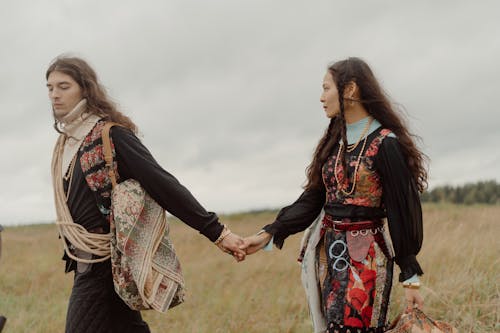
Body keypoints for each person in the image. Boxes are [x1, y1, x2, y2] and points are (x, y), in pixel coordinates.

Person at [46, 55, 246, 333]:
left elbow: (163, 184)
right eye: (50, 87)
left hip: (105, 262)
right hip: (84, 262)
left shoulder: (111, 136)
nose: (54, 95)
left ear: (85, 88)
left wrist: (217, 232)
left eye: (63, 86)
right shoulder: (66, 143)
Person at [242, 57, 426, 333]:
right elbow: (314, 199)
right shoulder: (334, 140)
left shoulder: (386, 144)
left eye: (326, 88)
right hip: (330, 255)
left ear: (349, 90)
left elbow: (403, 210)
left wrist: (410, 277)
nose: (321, 97)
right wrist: (270, 232)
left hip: (367, 259)